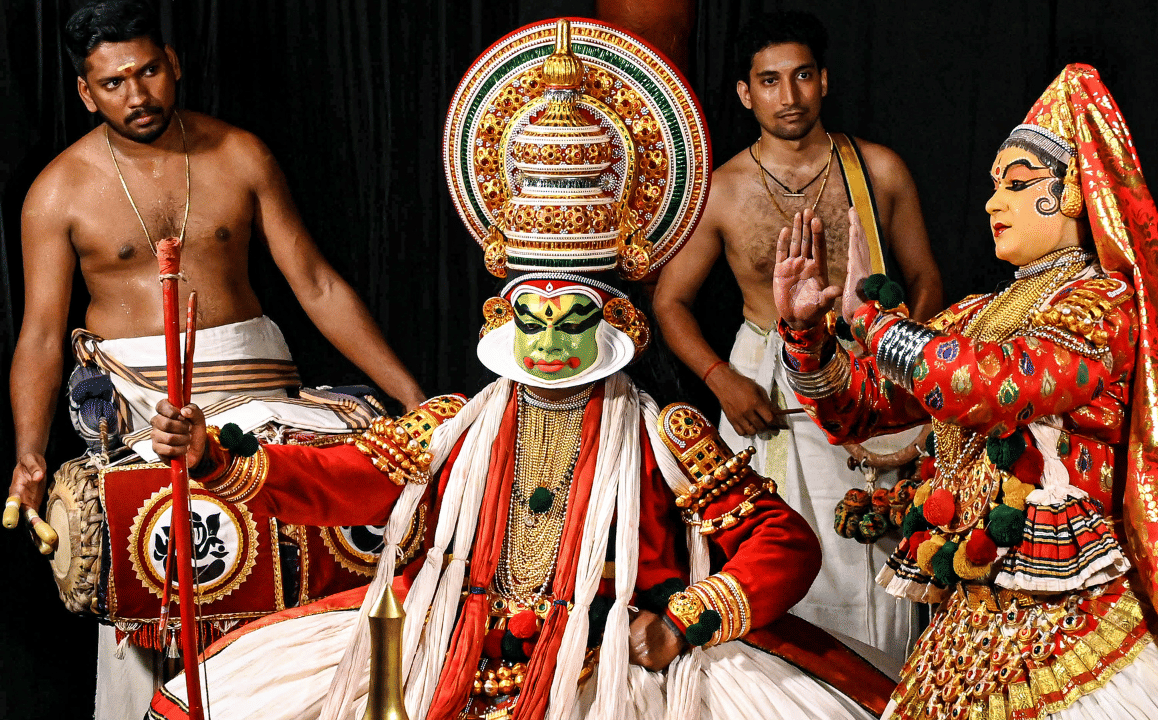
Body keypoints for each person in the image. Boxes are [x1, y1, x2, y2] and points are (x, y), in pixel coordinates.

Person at [143, 20, 894, 720]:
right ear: (501, 317)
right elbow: (337, 479)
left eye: (572, 318)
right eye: (530, 316)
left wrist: (684, 620)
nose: (548, 341)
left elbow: (784, 543)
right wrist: (212, 455)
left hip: (613, 665)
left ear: (616, 322)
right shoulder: (455, 425)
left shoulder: (667, 436)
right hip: (453, 643)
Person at [773, 64, 1158, 719]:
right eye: (991, 187)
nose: (991, 204)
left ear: (1070, 193)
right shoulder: (975, 315)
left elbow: (996, 385)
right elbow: (859, 409)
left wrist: (876, 323)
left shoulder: (1103, 304)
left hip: (1075, 609)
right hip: (971, 616)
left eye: (1015, 185)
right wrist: (806, 335)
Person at [4, 1, 425, 717]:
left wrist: (412, 398)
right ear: (85, 92)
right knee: (161, 588)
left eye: (147, 72)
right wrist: (29, 454)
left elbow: (316, 285)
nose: (136, 96)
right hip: (143, 408)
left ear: (174, 62)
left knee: (298, 570)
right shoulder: (58, 191)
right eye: (113, 84)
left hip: (261, 387)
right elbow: (42, 336)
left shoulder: (239, 155)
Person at [653, 10, 942, 664]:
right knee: (774, 554)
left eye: (803, 76)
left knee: (872, 558)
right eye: (771, 80)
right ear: (744, 93)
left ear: (825, 80)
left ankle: (878, 690)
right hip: (765, 392)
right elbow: (670, 303)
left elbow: (925, 277)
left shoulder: (879, 171)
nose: (789, 96)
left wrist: (903, 354)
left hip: (868, 388)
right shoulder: (722, 190)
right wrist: (720, 379)